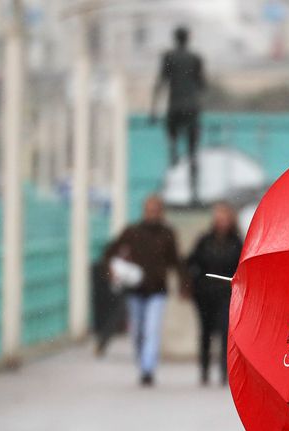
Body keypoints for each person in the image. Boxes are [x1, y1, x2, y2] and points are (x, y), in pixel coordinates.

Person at [104, 195, 187, 387]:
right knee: (138, 332)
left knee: (152, 330)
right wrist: (113, 272)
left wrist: (184, 284)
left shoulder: (167, 233)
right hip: (136, 290)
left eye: (156, 210)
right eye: (149, 210)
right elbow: (111, 252)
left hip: (157, 290)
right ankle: (142, 362)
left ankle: (148, 368)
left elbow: (176, 260)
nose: (153, 213)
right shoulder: (132, 232)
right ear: (144, 211)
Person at [186, 202, 243, 385]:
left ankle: (224, 371)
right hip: (205, 294)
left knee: (226, 331)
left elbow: (242, 266)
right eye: (218, 219)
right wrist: (194, 281)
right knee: (205, 332)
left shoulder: (236, 242)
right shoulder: (205, 240)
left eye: (224, 219)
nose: (221, 223)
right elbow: (192, 261)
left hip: (227, 293)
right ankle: (204, 369)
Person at [151, 26, 206, 185]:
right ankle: (192, 165)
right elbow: (202, 84)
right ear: (188, 39)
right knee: (192, 146)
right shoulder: (195, 58)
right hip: (191, 106)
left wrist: (153, 110)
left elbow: (160, 83)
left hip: (175, 104)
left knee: (172, 132)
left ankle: (174, 151)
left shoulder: (168, 57)